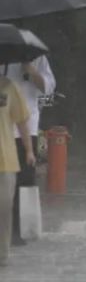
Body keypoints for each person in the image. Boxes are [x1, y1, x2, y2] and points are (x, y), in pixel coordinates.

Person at [4, 56, 54, 246]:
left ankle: (19, 228)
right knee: (4, 181)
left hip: (27, 126)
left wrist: (32, 72)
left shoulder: (37, 58)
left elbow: (48, 88)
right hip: (4, 128)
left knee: (24, 179)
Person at [0, 74, 34, 266]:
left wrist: (29, 150)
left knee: (4, 207)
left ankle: (2, 253)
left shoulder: (9, 87)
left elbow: (21, 121)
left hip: (6, 158)